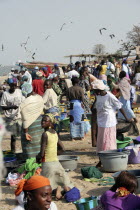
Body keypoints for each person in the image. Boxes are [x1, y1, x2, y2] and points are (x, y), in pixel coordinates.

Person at [91, 79, 130, 167]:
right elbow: (95, 104)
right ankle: (101, 159)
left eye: (95, 90)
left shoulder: (109, 96)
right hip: (101, 121)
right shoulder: (98, 96)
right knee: (101, 141)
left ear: (100, 90)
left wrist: (126, 118)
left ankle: (109, 160)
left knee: (107, 141)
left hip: (109, 122)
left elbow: (119, 106)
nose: (94, 92)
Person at [37, 114, 73, 200]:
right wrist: (53, 153)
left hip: (47, 162)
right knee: (58, 178)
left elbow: (42, 153)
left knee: (46, 182)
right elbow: (63, 149)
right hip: (56, 162)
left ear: (50, 123)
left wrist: (37, 159)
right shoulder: (55, 133)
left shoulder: (45, 134)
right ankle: (59, 190)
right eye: (42, 120)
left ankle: (55, 191)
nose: (43, 122)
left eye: (45, 121)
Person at [0, 83, 25, 153]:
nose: (14, 87)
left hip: (19, 116)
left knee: (22, 135)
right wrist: (12, 107)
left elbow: (23, 100)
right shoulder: (5, 94)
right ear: (9, 86)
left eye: (15, 85)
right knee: (13, 136)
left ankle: (23, 152)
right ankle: (13, 152)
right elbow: (3, 106)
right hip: (10, 118)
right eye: (12, 86)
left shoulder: (19, 92)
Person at [20, 91, 44, 160]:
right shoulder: (38, 104)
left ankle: (31, 164)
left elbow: (25, 121)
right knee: (39, 144)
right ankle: (39, 162)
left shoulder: (26, 108)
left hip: (29, 129)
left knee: (29, 147)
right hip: (38, 124)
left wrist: (25, 133)